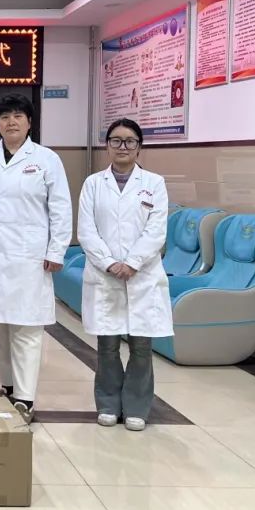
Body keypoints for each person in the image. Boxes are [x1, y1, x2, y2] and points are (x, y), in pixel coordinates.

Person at [0, 93, 71, 420]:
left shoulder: (45, 159)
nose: (11, 122)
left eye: (18, 116)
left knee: (27, 329)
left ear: (29, 123)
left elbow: (60, 208)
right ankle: (8, 386)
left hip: (31, 257)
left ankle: (25, 398)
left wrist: (56, 249)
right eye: (4, 117)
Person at [78, 117, 171, 432]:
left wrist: (132, 262)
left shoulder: (154, 183)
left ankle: (137, 407)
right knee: (107, 346)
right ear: (107, 145)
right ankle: (107, 404)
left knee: (141, 347)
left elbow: (156, 230)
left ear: (139, 146)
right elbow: (86, 230)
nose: (123, 146)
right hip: (105, 275)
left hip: (142, 275)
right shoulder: (93, 184)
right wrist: (109, 263)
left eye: (130, 141)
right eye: (116, 140)